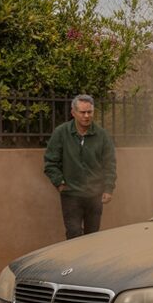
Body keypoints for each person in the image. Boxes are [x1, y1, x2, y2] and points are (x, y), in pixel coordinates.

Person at [44, 94, 117, 239]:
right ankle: (72, 262)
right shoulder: (61, 133)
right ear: (73, 113)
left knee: (92, 237)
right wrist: (60, 183)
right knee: (73, 234)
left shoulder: (102, 135)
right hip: (71, 195)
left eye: (89, 112)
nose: (86, 116)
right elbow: (50, 162)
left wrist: (109, 188)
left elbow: (109, 164)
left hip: (94, 196)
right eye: (82, 112)